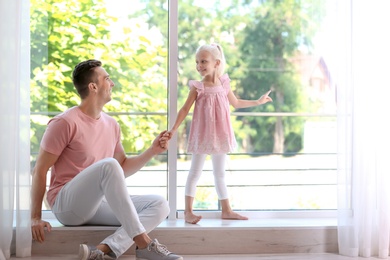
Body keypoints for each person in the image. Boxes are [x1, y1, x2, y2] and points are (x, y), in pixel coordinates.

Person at [30, 59, 183, 260]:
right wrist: (35, 218)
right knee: (108, 165)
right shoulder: (64, 122)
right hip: (66, 205)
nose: (112, 84)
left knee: (160, 204)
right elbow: (40, 169)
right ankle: (144, 244)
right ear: (93, 87)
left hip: (97, 204)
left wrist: (152, 151)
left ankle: (104, 249)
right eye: (107, 79)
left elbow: (121, 168)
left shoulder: (112, 125)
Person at [165, 43, 272, 224]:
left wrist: (257, 102)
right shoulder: (198, 87)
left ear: (216, 63)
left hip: (220, 134)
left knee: (220, 173)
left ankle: (227, 210)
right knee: (195, 172)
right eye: (197, 62)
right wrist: (173, 129)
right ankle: (188, 212)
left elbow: (236, 103)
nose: (199, 66)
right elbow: (184, 109)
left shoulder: (224, 84)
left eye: (204, 61)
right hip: (202, 134)